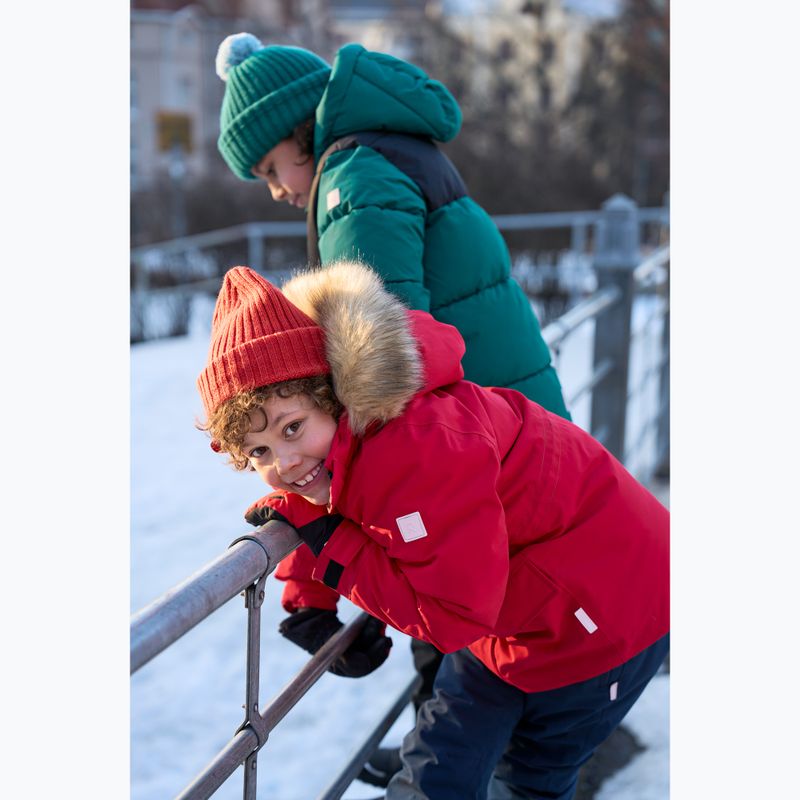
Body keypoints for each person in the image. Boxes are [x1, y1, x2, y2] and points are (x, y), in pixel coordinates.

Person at [213, 33, 573, 782]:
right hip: (506, 431)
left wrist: (318, 571)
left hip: (472, 445)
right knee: (485, 653)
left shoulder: (354, 176)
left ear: (299, 129)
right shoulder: (396, 150)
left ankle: (442, 776)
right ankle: (443, 768)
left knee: (454, 632)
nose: (277, 190)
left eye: (272, 166)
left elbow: (374, 376)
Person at [197, 262, 670, 800]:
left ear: (331, 396)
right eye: (259, 452)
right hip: (509, 611)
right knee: (438, 766)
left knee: (528, 782)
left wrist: (330, 550)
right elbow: (332, 496)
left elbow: (450, 617)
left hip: (607, 614)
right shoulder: (357, 432)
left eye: (292, 428)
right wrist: (310, 597)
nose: (283, 461)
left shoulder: (416, 449)